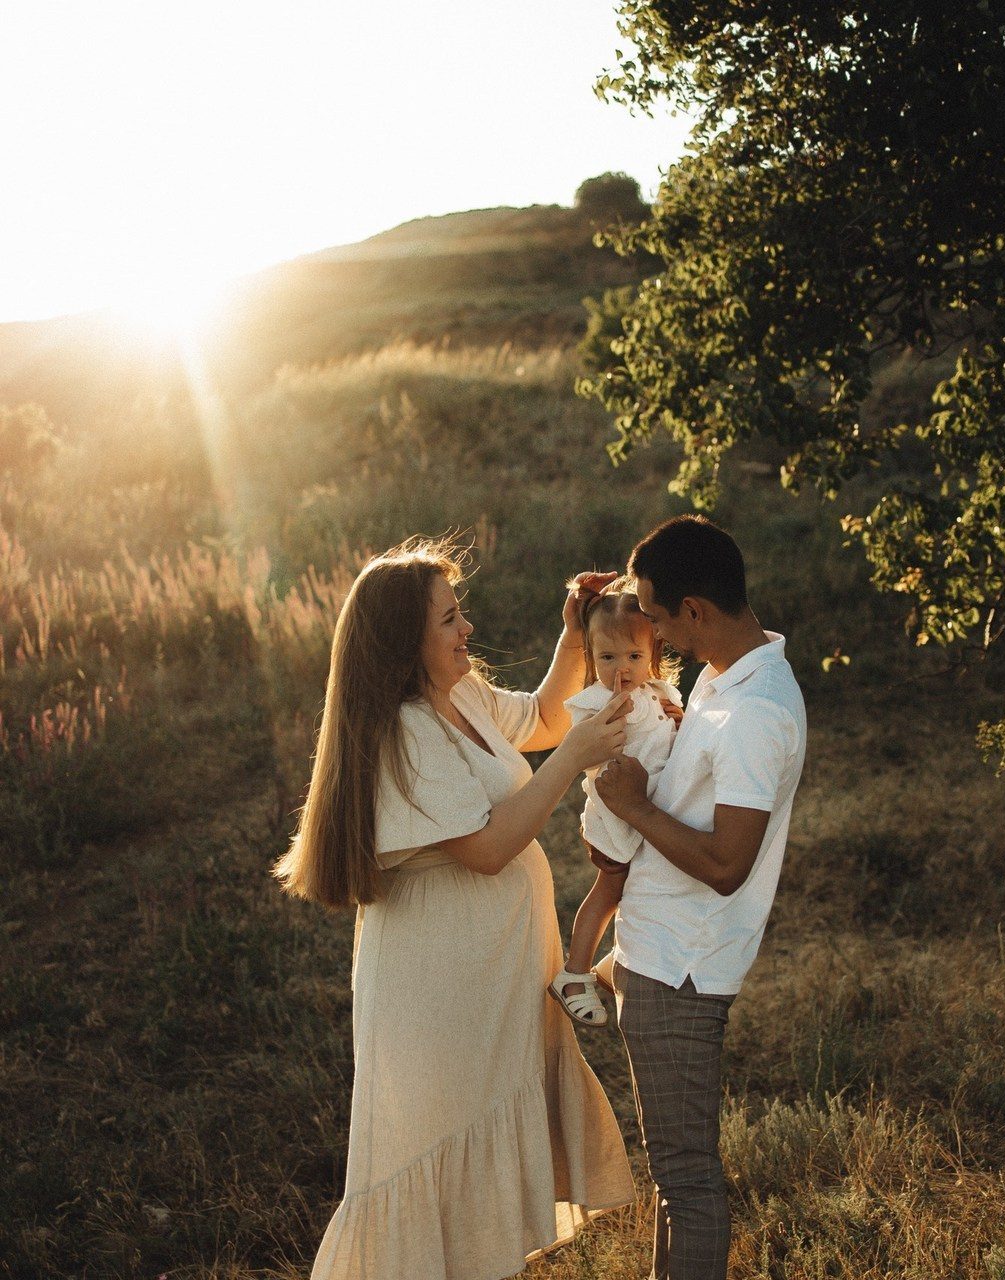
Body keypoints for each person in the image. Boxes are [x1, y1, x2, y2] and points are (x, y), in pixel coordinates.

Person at [274, 535, 636, 1280]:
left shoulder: (460, 694)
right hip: (439, 989)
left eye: (459, 611)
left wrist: (574, 636)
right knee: (442, 1147)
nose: (467, 627)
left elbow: (542, 720)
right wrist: (573, 759)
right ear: (406, 639)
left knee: (481, 1163)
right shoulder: (404, 731)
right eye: (448, 618)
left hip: (490, 977)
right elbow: (489, 846)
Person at [594, 515, 808, 1280]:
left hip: (681, 969)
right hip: (658, 950)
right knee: (673, 1178)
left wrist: (633, 807)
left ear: (695, 609)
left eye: (656, 616)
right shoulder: (726, 673)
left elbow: (726, 864)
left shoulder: (755, 711)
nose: (650, 633)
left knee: (685, 1181)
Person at [547, 587, 682, 1028]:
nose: (621, 669)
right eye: (608, 658)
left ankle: (618, 958)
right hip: (614, 820)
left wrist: (677, 720)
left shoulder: (658, 692)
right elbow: (586, 750)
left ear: (653, 652)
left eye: (633, 656)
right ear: (591, 656)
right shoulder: (593, 704)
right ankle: (574, 974)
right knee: (610, 890)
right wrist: (614, 713)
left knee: (646, 887)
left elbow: (667, 736)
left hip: (648, 815)